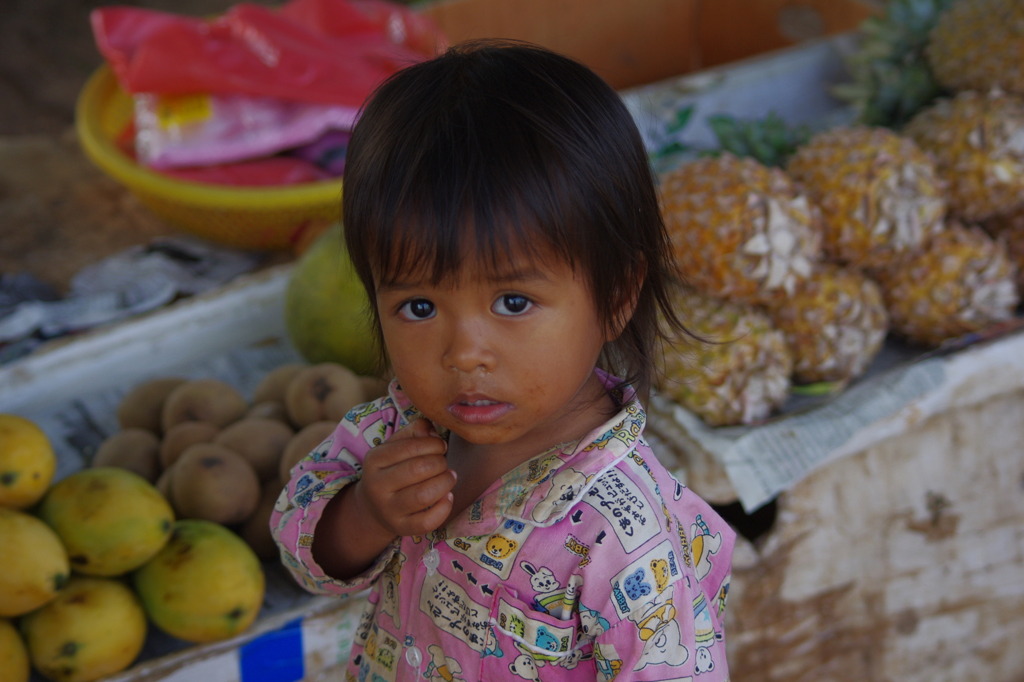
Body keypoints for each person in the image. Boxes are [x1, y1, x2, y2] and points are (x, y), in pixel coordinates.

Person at [271, 39, 736, 681]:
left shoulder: (625, 536)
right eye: (419, 307)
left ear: (616, 296)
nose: (464, 354)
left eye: (513, 301)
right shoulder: (395, 431)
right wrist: (364, 516)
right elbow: (300, 548)